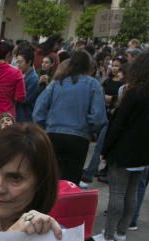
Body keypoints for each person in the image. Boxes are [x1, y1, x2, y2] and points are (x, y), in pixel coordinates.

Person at [93, 50, 149, 241]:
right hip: (144, 151)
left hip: (125, 150)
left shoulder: (134, 92)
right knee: (132, 192)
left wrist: (106, 148)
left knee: (117, 193)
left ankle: (108, 235)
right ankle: (121, 231)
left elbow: (118, 124)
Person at [33, 50, 108, 183]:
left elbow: (38, 111)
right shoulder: (93, 84)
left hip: (53, 134)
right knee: (71, 181)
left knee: (50, 178)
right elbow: (98, 117)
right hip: (79, 138)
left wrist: (47, 126)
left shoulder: (57, 83)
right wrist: (89, 129)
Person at [0, 41, 26, 120]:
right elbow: (20, 97)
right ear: (8, 55)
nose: (13, 57)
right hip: (8, 116)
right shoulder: (17, 73)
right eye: (12, 54)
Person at [14, 46, 39, 122]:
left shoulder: (34, 78)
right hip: (18, 114)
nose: (18, 65)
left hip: (25, 116)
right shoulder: (21, 74)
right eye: (17, 62)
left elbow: (26, 99)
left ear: (29, 62)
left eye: (20, 62)